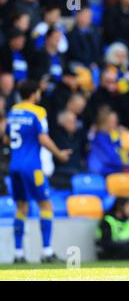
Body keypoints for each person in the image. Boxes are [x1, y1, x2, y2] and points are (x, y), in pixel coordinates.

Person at [4, 80, 71, 263]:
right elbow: (43, 138)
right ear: (34, 93)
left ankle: (18, 254)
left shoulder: (13, 111)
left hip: (14, 166)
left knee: (21, 208)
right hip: (32, 167)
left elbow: (7, 138)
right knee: (45, 205)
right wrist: (58, 153)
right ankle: (47, 252)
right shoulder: (38, 112)